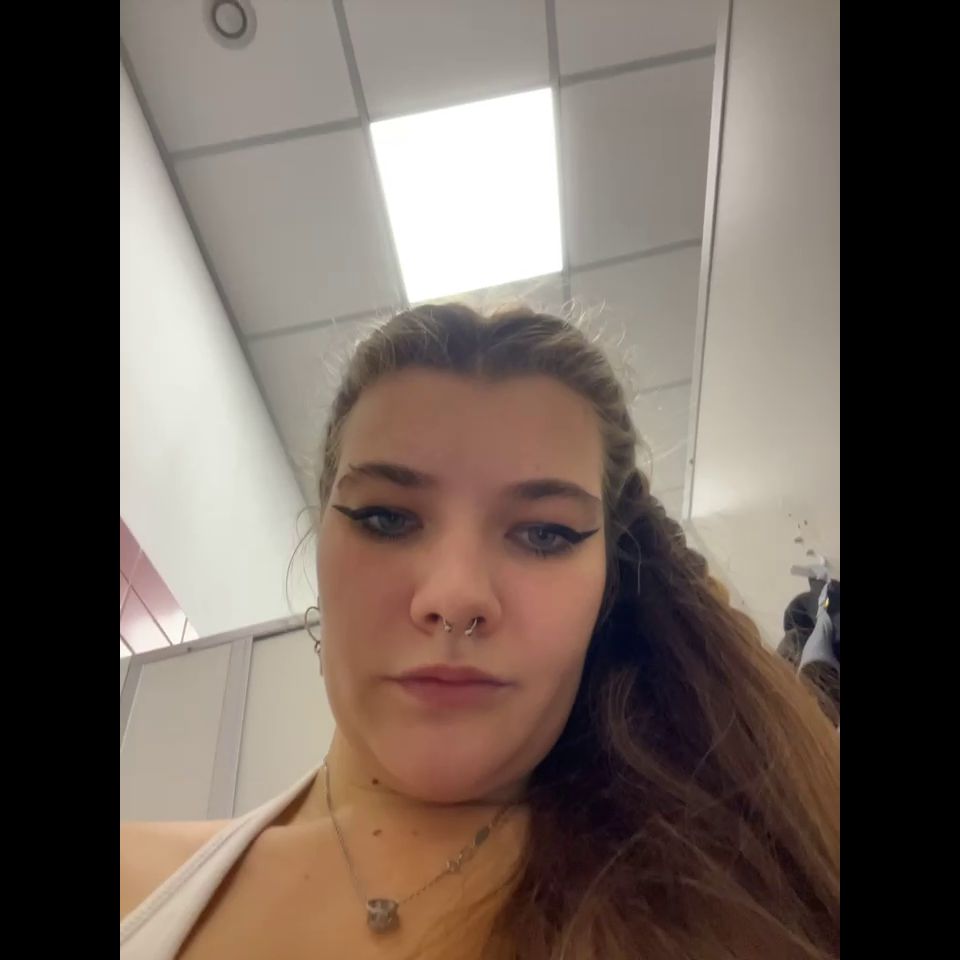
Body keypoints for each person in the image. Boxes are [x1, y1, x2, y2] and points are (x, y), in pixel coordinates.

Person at [121, 305, 840, 960]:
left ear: (608, 587)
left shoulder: (746, 883)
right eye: (386, 519)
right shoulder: (136, 886)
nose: (454, 598)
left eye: (545, 533)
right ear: (321, 549)